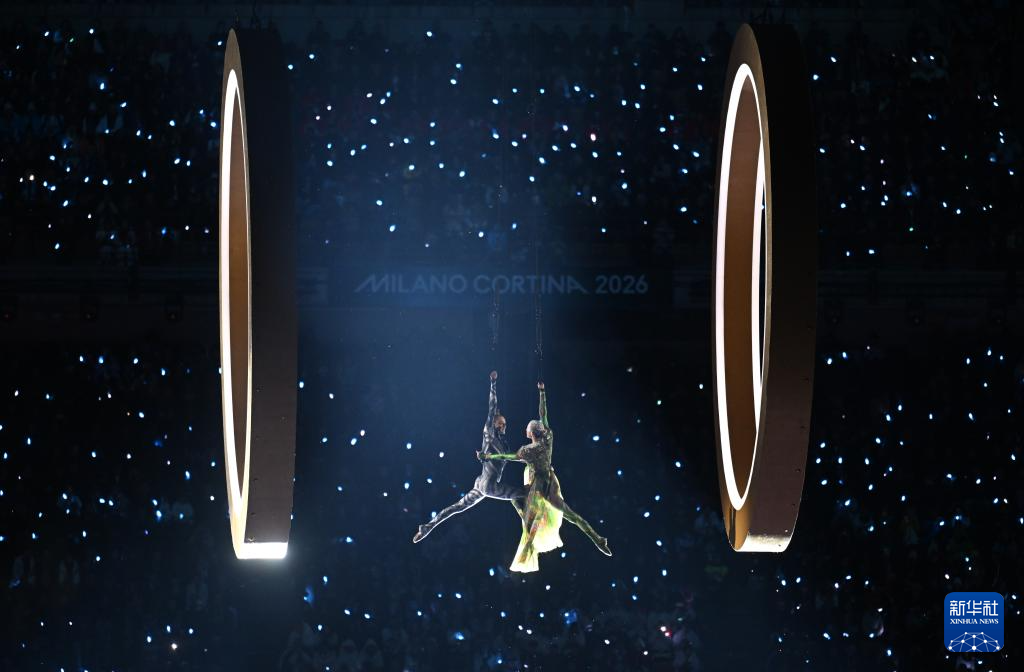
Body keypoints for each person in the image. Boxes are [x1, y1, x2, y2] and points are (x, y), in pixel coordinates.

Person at [481, 381, 611, 573]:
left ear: (529, 433)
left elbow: (508, 456)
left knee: (526, 509)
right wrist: (542, 392)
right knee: (570, 515)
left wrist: (489, 456)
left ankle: (529, 546)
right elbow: (544, 414)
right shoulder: (548, 437)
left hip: (539, 485)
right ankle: (597, 539)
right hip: (549, 478)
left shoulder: (528, 450)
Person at [412, 371, 527, 543]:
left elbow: (507, 456)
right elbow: (492, 407)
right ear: (493, 424)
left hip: (481, 482)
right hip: (489, 485)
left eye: (505, 424)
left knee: (457, 507)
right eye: (501, 423)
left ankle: (427, 527)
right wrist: (493, 383)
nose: (504, 426)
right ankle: (531, 525)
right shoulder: (489, 434)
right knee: (523, 494)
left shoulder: (502, 442)